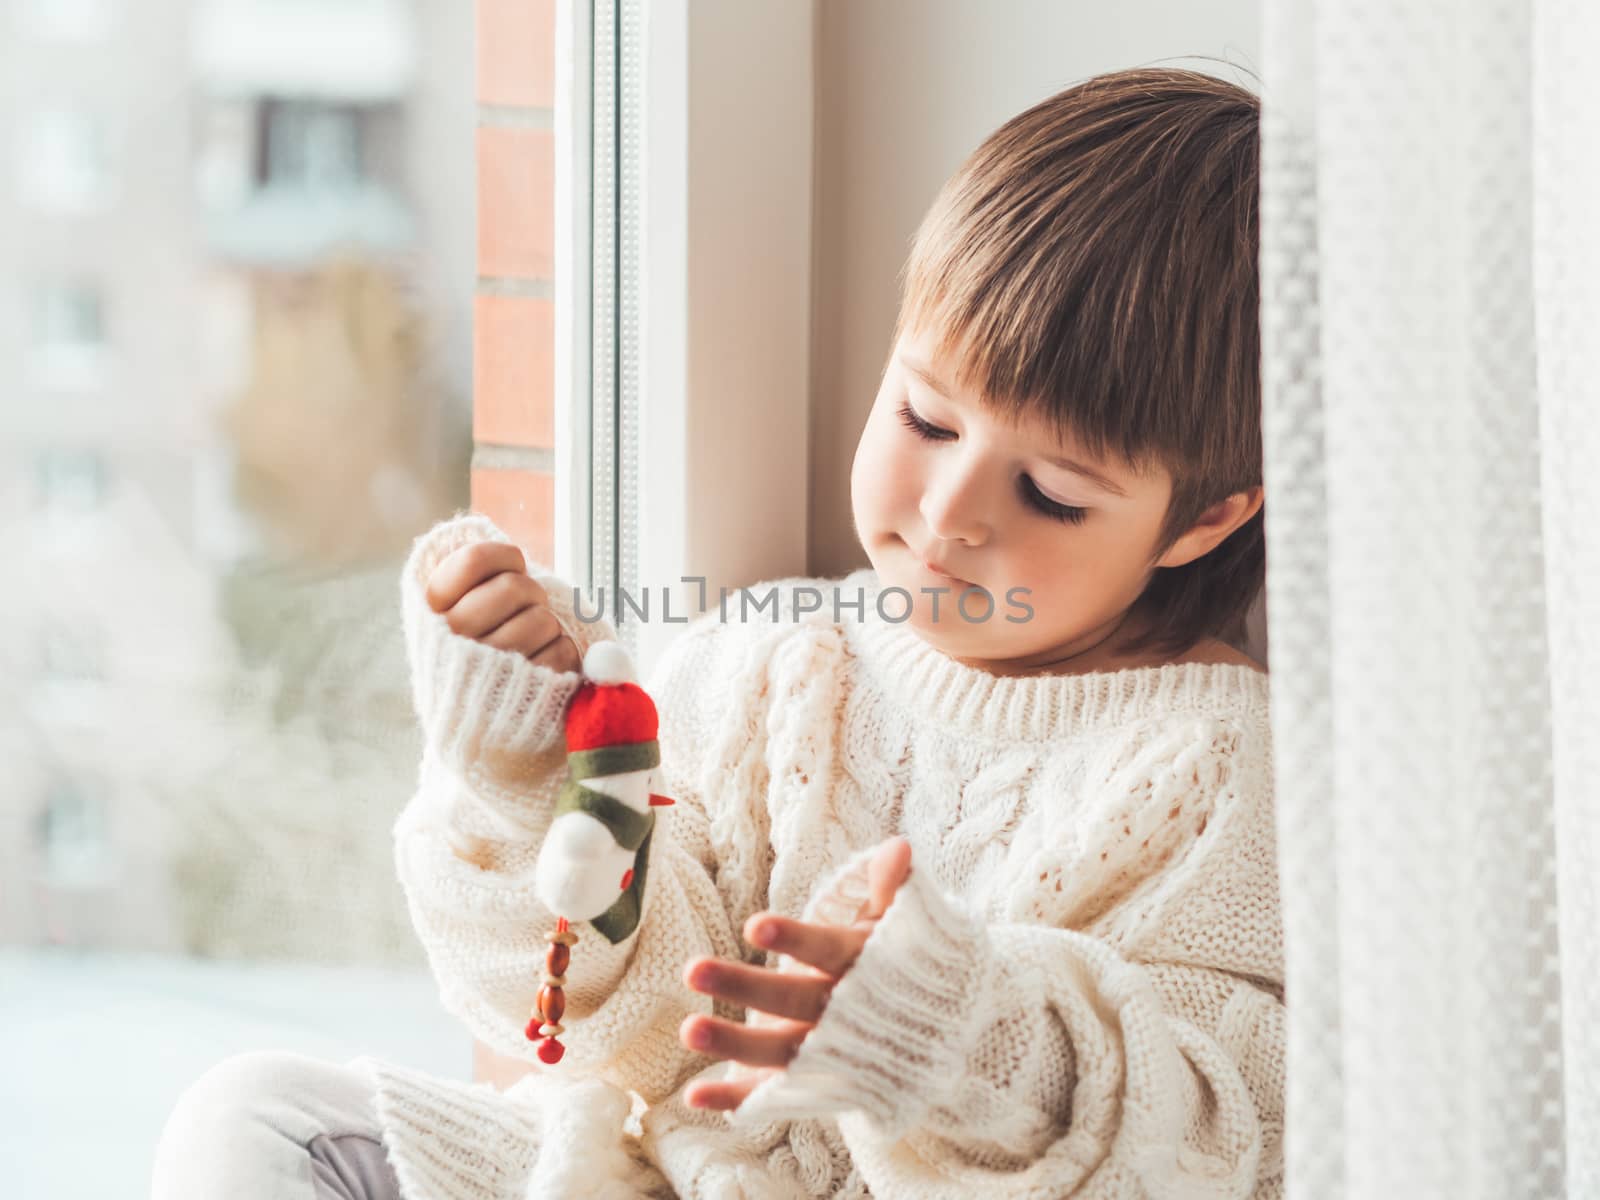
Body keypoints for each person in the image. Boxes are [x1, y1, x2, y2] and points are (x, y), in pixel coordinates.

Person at [153, 66, 1282, 1200]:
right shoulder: (779, 659)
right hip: (650, 1178)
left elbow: (1234, 1134)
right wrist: (531, 774)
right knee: (256, 1121)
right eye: (924, 419)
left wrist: (952, 1043)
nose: (948, 513)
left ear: (1206, 517)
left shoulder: (1228, 769)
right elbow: (621, 1033)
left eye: (1049, 493)